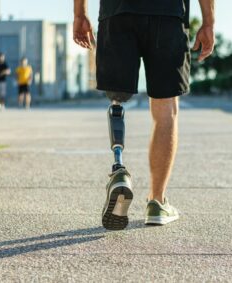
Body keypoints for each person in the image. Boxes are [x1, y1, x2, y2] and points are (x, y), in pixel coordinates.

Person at [73, 0, 215, 230]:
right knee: (166, 108)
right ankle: (157, 202)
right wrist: (208, 22)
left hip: (117, 12)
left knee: (117, 98)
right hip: (168, 14)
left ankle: (119, 170)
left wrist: (80, 14)